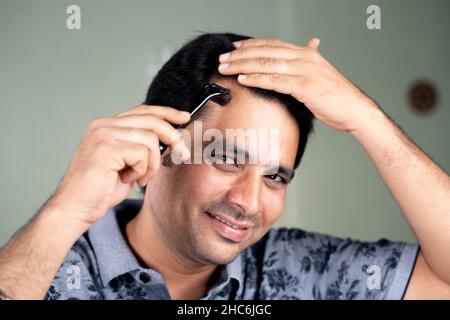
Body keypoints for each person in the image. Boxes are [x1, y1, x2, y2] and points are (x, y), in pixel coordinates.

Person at [0, 33, 449, 300]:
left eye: (275, 176)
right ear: (160, 145)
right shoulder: (49, 268)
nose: (248, 202)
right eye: (227, 158)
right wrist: (64, 212)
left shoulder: (302, 269)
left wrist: (367, 119)